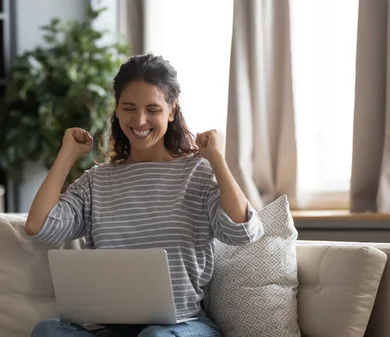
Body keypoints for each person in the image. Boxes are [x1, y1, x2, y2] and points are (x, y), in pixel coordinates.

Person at [25, 53, 264, 337]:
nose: (140, 121)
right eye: (129, 108)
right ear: (117, 109)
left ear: (172, 110)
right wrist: (67, 155)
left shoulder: (197, 174)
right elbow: (39, 227)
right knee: (48, 331)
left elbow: (243, 231)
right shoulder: (96, 182)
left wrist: (218, 160)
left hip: (182, 327)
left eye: (153, 109)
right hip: (112, 329)